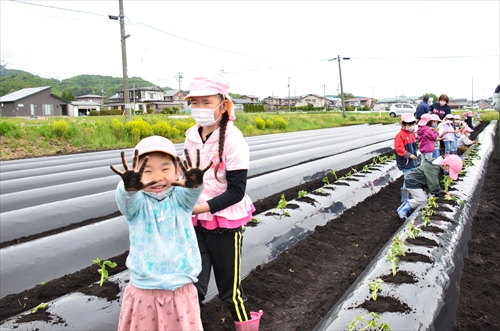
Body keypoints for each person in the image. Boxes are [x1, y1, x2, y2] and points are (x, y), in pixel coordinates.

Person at [183, 72, 261, 330]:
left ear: (224, 104)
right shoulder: (191, 136)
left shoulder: (233, 140)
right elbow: (188, 177)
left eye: (207, 102)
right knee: (194, 287)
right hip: (196, 222)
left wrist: (200, 207)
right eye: (195, 102)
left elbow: (236, 192)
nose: (200, 108)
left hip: (225, 223)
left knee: (230, 291)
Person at [110, 135, 211, 331]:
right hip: (144, 291)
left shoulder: (181, 200)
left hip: (181, 290)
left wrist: (196, 183)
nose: (158, 177)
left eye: (165, 169)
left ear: (177, 171)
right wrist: (127, 189)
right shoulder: (137, 204)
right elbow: (126, 201)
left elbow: (191, 192)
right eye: (147, 171)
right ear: (137, 175)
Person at [397, 155, 463, 219]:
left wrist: (443, 190)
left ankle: (407, 204)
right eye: (450, 171)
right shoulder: (433, 168)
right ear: (446, 165)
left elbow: (437, 182)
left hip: (418, 182)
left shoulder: (438, 167)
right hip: (413, 182)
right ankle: (403, 210)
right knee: (422, 200)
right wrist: (443, 194)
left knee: (423, 197)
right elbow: (433, 185)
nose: (448, 173)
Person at [394, 113, 418, 202]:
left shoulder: (412, 134)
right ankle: (405, 198)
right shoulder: (400, 135)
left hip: (412, 161)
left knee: (412, 179)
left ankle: (411, 196)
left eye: (413, 124)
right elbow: (399, 148)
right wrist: (409, 155)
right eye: (409, 124)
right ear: (403, 124)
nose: (412, 126)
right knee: (408, 180)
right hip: (405, 162)